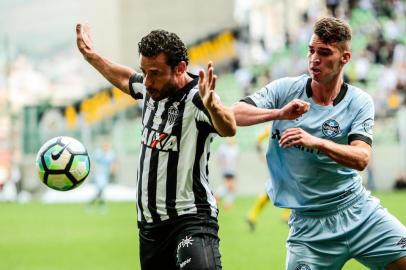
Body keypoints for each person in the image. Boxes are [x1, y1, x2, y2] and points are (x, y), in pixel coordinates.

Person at [232, 17, 406, 269]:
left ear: (345, 58)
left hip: (358, 212)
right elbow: (234, 114)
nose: (314, 59)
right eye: (311, 50)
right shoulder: (285, 90)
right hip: (309, 227)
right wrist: (279, 114)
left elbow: (361, 158)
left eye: (324, 53)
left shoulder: (359, 102)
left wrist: (317, 142)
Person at [76, 24, 236, 270]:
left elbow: (229, 128)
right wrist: (91, 56)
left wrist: (212, 106)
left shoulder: (197, 99)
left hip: (189, 219)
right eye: (145, 72)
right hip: (150, 227)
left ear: (180, 68)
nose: (148, 81)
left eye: (155, 73)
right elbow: (124, 77)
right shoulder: (151, 91)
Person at [245, 127, 290, 232]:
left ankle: (252, 215)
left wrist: (261, 153)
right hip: (286, 165)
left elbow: (258, 139)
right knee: (292, 189)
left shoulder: (273, 127)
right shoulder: (286, 127)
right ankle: (286, 215)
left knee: (271, 192)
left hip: (275, 165)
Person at [87, 141, 116, 212]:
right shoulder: (98, 153)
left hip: (105, 175)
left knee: (101, 190)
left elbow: (113, 163)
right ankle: (101, 205)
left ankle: (91, 203)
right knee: (101, 188)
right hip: (98, 174)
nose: (106, 148)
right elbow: (93, 162)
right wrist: (93, 171)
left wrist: (113, 170)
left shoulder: (111, 154)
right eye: (104, 146)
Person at [215, 136, 239, 209]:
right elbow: (218, 158)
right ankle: (217, 197)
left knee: (230, 187)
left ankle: (226, 203)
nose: (231, 140)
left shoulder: (235, 147)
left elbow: (237, 158)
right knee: (229, 186)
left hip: (233, 170)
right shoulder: (223, 148)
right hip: (226, 170)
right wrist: (223, 165)